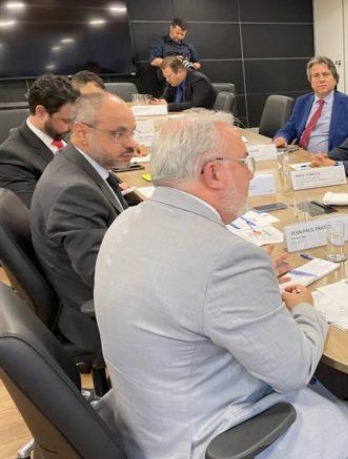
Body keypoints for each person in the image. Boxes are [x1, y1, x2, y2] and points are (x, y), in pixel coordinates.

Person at [93, 109, 348, 459]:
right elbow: (294, 370)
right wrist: (306, 309)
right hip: (200, 448)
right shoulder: (225, 258)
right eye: (244, 163)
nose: (250, 174)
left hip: (142, 428)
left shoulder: (126, 221)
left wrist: (254, 282)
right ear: (213, 173)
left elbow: (185, 293)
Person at [30, 92, 137, 352]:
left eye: (132, 132)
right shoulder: (74, 191)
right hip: (101, 320)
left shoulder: (77, 167)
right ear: (81, 132)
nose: (131, 144)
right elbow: (104, 276)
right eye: (118, 134)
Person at [0, 74, 79, 207]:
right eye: (66, 120)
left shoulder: (62, 134)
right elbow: (32, 212)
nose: (72, 127)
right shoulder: (11, 158)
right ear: (41, 112)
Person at [273, 56, 348, 153]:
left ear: (335, 79)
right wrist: (281, 138)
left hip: (330, 159)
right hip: (300, 155)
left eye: (326, 74)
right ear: (310, 81)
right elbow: (289, 129)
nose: (321, 79)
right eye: (316, 75)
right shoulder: (302, 102)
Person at [150, 56, 216, 112]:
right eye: (165, 77)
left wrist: (167, 106)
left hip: (203, 118)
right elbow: (166, 96)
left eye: (169, 76)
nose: (167, 80)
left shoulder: (198, 80)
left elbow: (195, 105)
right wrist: (161, 101)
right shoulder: (172, 81)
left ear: (179, 71)